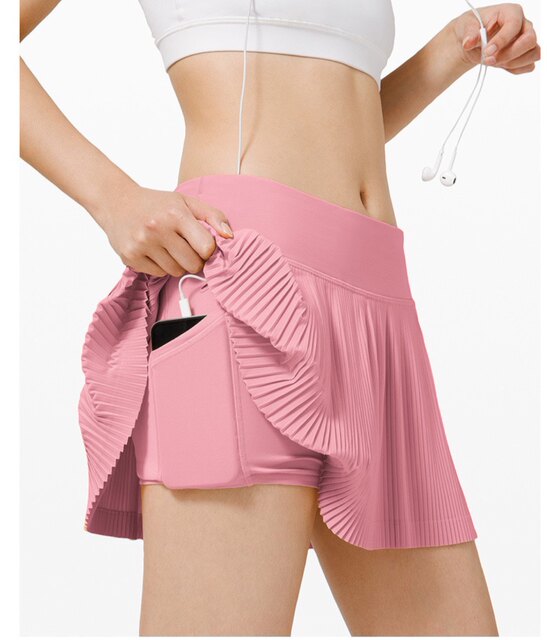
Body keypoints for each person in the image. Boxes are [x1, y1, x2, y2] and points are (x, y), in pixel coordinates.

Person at [20, 0, 539, 636]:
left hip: (377, 313)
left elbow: (325, 130)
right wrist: (113, 198)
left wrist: (450, 52)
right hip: (243, 297)